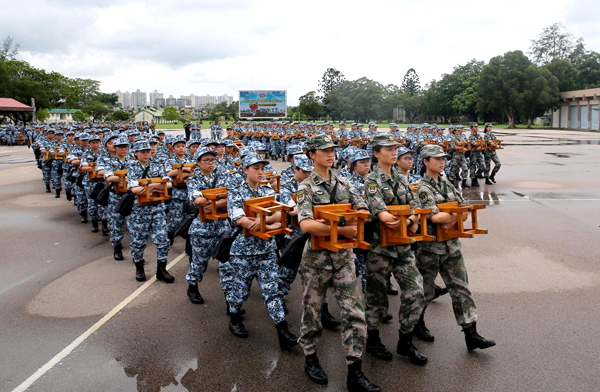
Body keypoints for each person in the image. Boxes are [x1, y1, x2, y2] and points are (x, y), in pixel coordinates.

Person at [296, 134, 380, 392]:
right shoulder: (306, 187)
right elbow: (306, 224)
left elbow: (364, 210)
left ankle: (355, 371)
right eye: (323, 151)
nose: (330, 154)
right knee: (313, 312)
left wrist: (337, 222)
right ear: (311, 155)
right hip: (316, 261)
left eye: (332, 150)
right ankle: (310, 357)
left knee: (355, 313)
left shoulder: (345, 182)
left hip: (344, 258)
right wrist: (343, 225)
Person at [414, 144, 496, 351]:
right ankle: (416, 323)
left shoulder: (447, 182)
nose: (442, 161)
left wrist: (451, 216)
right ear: (425, 162)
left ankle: (471, 333)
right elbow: (435, 216)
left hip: (452, 247)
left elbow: (465, 210)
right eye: (436, 158)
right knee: (424, 290)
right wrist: (453, 215)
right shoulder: (423, 188)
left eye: (443, 158)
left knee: (461, 289)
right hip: (430, 248)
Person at [363, 134, 427, 366]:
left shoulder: (401, 177)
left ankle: (405, 340)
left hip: (403, 247)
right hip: (380, 249)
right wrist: (406, 219)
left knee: (415, 292)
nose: (393, 152)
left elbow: (416, 204)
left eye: (395, 148)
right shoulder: (372, 180)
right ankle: (372, 338)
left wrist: (411, 218)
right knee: (376, 298)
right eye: (388, 149)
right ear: (376, 153)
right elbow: (382, 213)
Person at [225, 153, 298, 349]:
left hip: (266, 250)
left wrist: (260, 221)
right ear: (245, 170)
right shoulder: (237, 192)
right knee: (240, 290)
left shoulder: (267, 190)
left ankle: (282, 330)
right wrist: (265, 220)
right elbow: (240, 220)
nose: (260, 172)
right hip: (243, 252)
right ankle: (234, 317)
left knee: (272, 291)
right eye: (255, 168)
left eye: (262, 168)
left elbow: (281, 213)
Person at [185, 147, 231, 304]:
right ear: (198, 162)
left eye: (213, 159)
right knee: (199, 262)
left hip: (223, 227)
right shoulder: (193, 179)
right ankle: (192, 287)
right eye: (206, 160)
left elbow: (232, 195)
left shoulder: (223, 175)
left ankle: (230, 299)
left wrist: (213, 202)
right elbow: (198, 200)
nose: (211, 163)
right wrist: (221, 200)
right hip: (202, 229)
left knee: (227, 265)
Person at [127, 140, 174, 283]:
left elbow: (168, 184)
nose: (146, 154)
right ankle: (139, 268)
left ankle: (162, 270)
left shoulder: (157, 164)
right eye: (143, 152)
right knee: (138, 241)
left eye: (148, 151)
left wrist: (148, 186)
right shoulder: (131, 166)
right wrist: (156, 185)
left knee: (162, 240)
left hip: (157, 208)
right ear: (136, 153)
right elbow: (133, 188)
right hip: (139, 210)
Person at [98, 135, 130, 260]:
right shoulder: (109, 161)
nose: (123, 149)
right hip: (115, 195)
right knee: (116, 222)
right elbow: (107, 176)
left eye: (126, 147)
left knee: (132, 222)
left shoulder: (132, 161)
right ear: (115, 148)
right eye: (121, 147)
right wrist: (122, 178)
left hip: (130, 195)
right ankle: (117, 246)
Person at [468, 123, 485, 187]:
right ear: (472, 128)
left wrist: (481, 144)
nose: (476, 128)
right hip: (473, 153)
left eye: (477, 127)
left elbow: (483, 143)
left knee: (483, 166)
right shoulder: (471, 136)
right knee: (473, 166)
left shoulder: (479, 135)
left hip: (479, 152)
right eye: (475, 127)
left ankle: (476, 175)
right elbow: (474, 143)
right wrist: (479, 144)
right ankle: (473, 179)